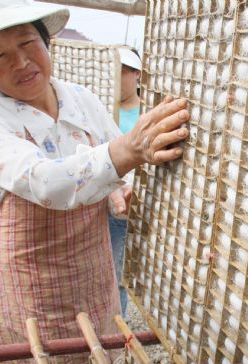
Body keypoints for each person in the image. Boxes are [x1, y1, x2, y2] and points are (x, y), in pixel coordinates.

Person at [0, 1, 189, 364]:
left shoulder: (82, 99)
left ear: (48, 44)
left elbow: (117, 165)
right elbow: (44, 181)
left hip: (89, 274)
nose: (22, 61)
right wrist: (128, 150)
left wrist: (122, 190)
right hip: (24, 284)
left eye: (29, 43)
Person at [109, 47, 143, 318]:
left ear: (136, 74)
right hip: (108, 197)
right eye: (115, 72)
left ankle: (117, 325)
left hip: (137, 200)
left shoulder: (145, 112)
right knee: (109, 267)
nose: (118, 78)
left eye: (124, 72)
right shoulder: (104, 110)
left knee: (123, 270)